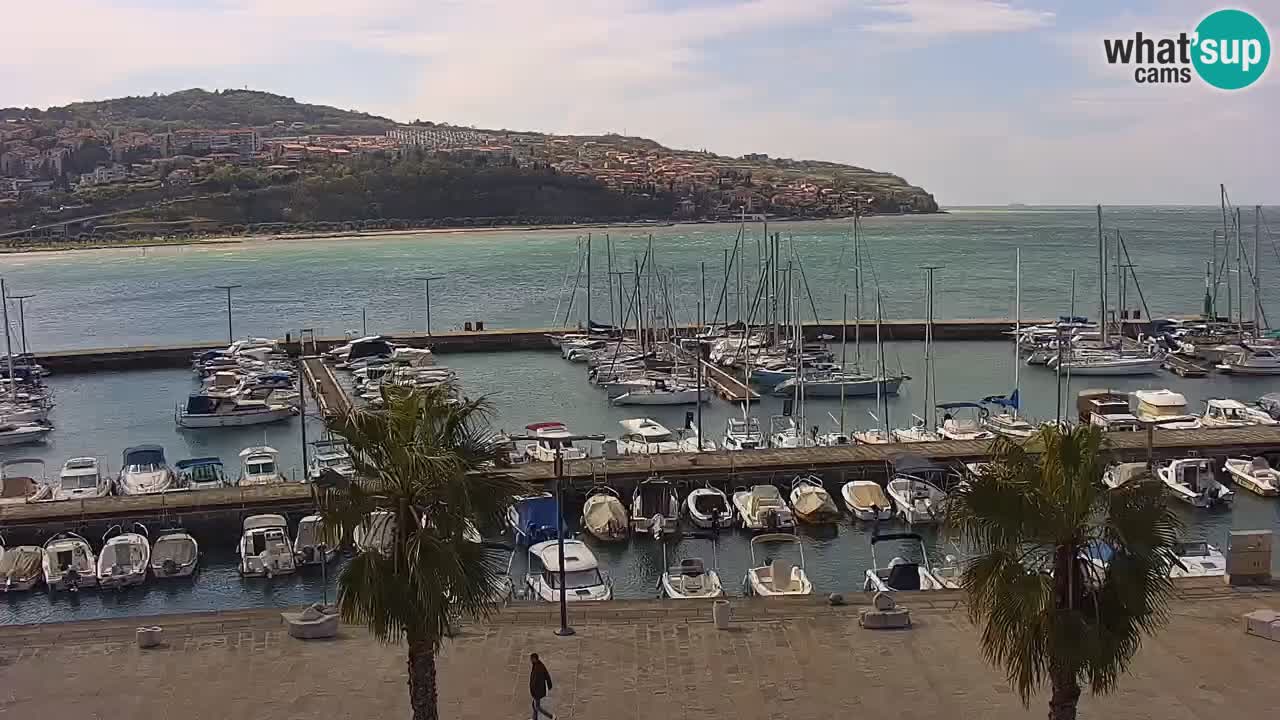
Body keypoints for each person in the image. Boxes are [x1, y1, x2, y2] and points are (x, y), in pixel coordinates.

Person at [529, 653, 554, 720]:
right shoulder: (537, 665)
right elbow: (546, 675)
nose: (530, 660)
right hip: (536, 691)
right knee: (534, 705)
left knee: (537, 707)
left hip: (537, 691)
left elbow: (537, 681)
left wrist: (534, 691)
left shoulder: (538, 668)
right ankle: (535, 718)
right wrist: (549, 684)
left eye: (531, 659)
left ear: (535, 659)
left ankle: (551, 717)